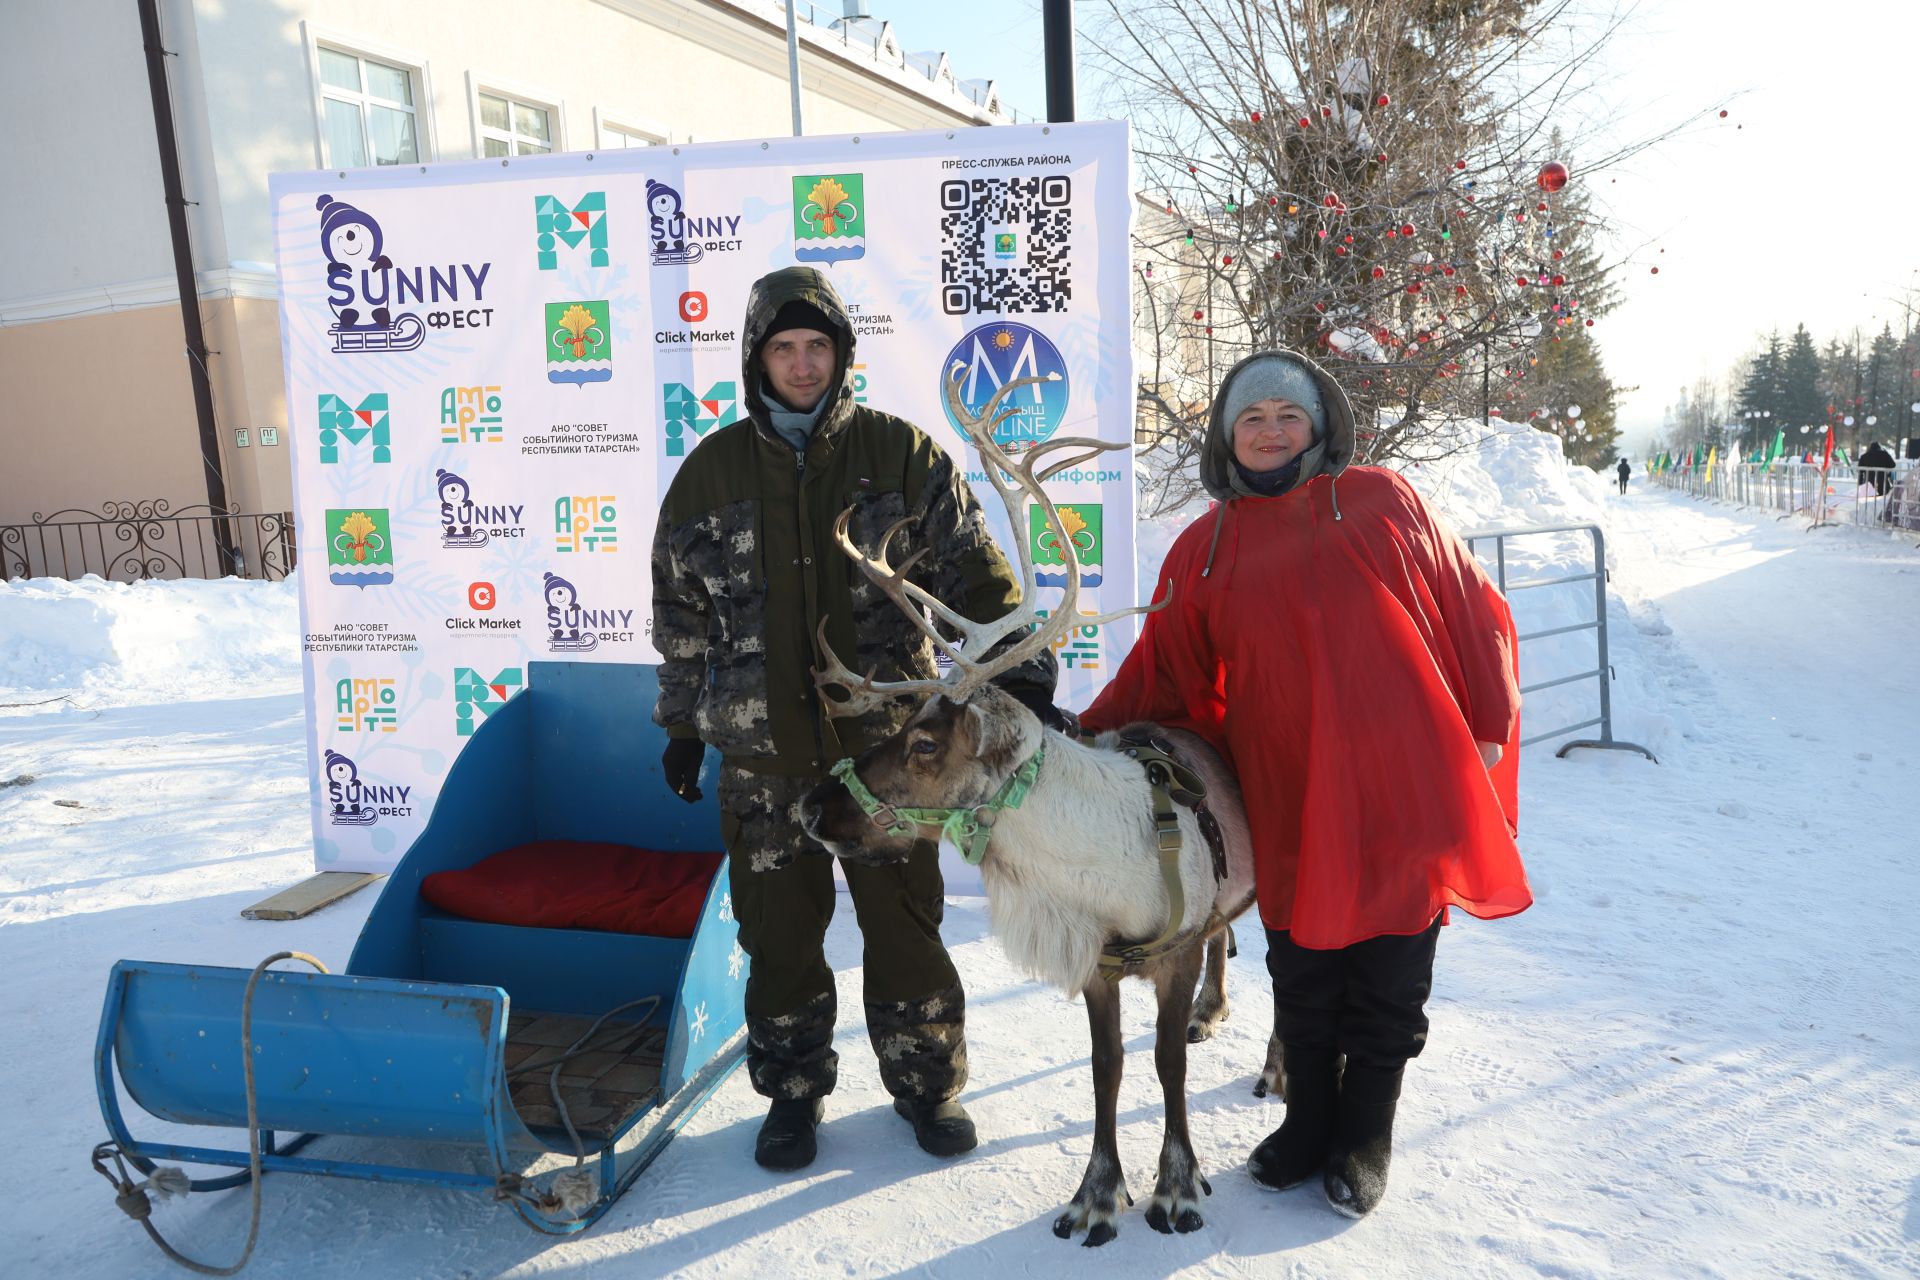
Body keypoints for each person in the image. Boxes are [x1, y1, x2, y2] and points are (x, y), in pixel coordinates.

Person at [1078, 349, 1533, 1219]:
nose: (1272, 431)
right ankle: (1308, 1120)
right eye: (1252, 419)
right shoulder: (1204, 547)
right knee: (1305, 968)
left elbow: (1471, 605)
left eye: (1289, 415)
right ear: (1227, 436)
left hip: (1404, 781)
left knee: (1390, 970)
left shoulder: (1382, 500)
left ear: (1320, 425)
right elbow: (1163, 671)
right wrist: (1082, 731)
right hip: (1288, 790)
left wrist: (1482, 722)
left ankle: (1365, 1133)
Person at [649, 266, 1064, 1173]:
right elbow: (681, 614)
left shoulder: (901, 456)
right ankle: (792, 1097)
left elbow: (978, 576)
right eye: (784, 348)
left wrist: (1024, 666)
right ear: (757, 358)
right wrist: (682, 724)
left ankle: (927, 1082)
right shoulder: (709, 474)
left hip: (890, 757)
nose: (802, 365)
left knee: (905, 924)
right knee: (778, 936)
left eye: (817, 347)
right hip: (763, 760)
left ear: (841, 354)